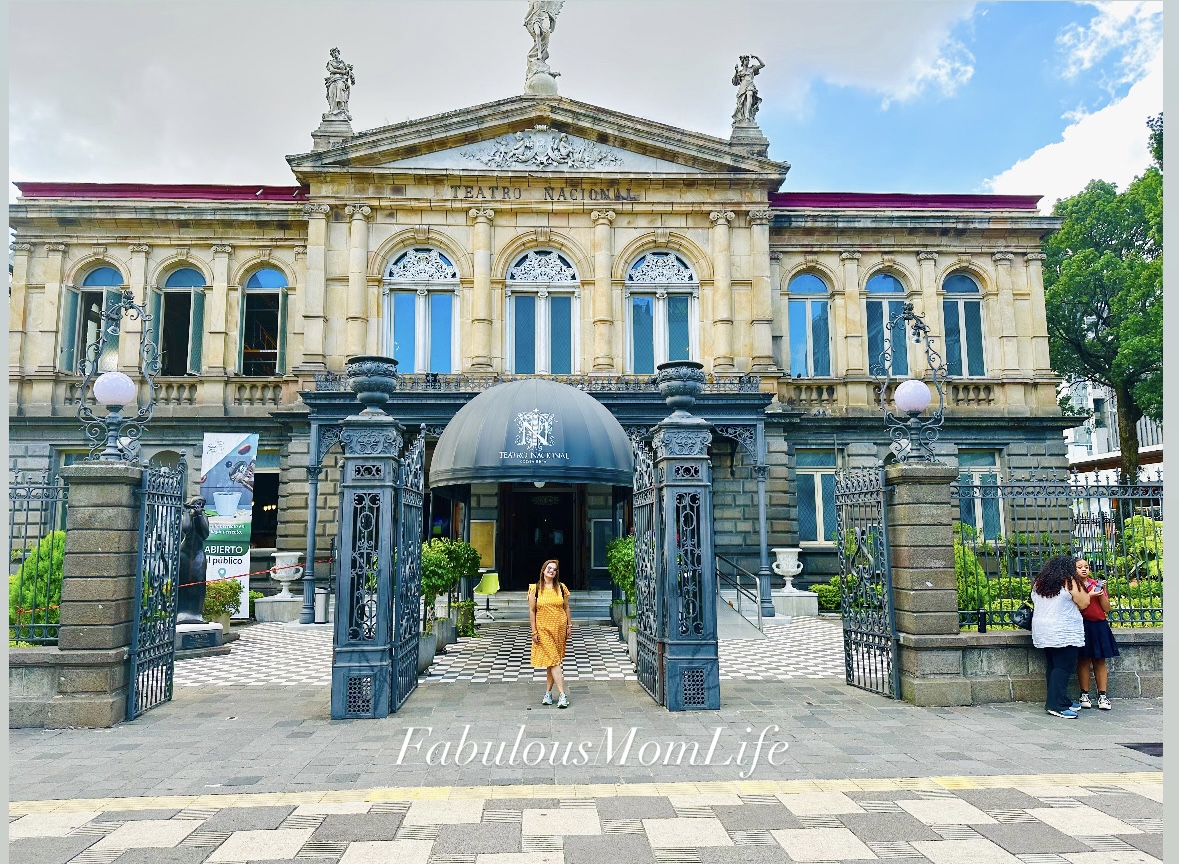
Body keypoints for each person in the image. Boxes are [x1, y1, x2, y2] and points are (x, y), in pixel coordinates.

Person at [1031, 554, 1090, 718]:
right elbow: (1084, 602)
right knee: (1064, 667)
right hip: (1063, 631)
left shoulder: (1039, 583)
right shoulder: (1069, 581)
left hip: (1043, 630)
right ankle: (1055, 705)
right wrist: (1083, 585)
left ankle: (1061, 700)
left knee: (1053, 665)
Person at [1075, 558, 1119, 710]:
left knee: (1100, 660)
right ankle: (1084, 694)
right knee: (1083, 660)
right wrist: (1090, 595)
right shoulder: (1073, 586)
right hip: (1082, 625)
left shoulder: (1096, 584)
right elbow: (1077, 608)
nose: (1084, 569)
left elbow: (1106, 609)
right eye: (1080, 567)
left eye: (1086, 566)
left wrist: (1100, 593)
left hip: (1099, 625)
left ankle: (1102, 695)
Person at [528, 558, 572, 708]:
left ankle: (547, 694)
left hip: (559, 629)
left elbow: (566, 608)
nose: (551, 570)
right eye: (549, 568)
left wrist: (569, 625)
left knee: (552, 662)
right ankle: (562, 695)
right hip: (543, 629)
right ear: (543, 570)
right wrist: (534, 631)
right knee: (554, 660)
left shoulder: (561, 587)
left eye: (554, 569)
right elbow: (532, 611)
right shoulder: (535, 589)